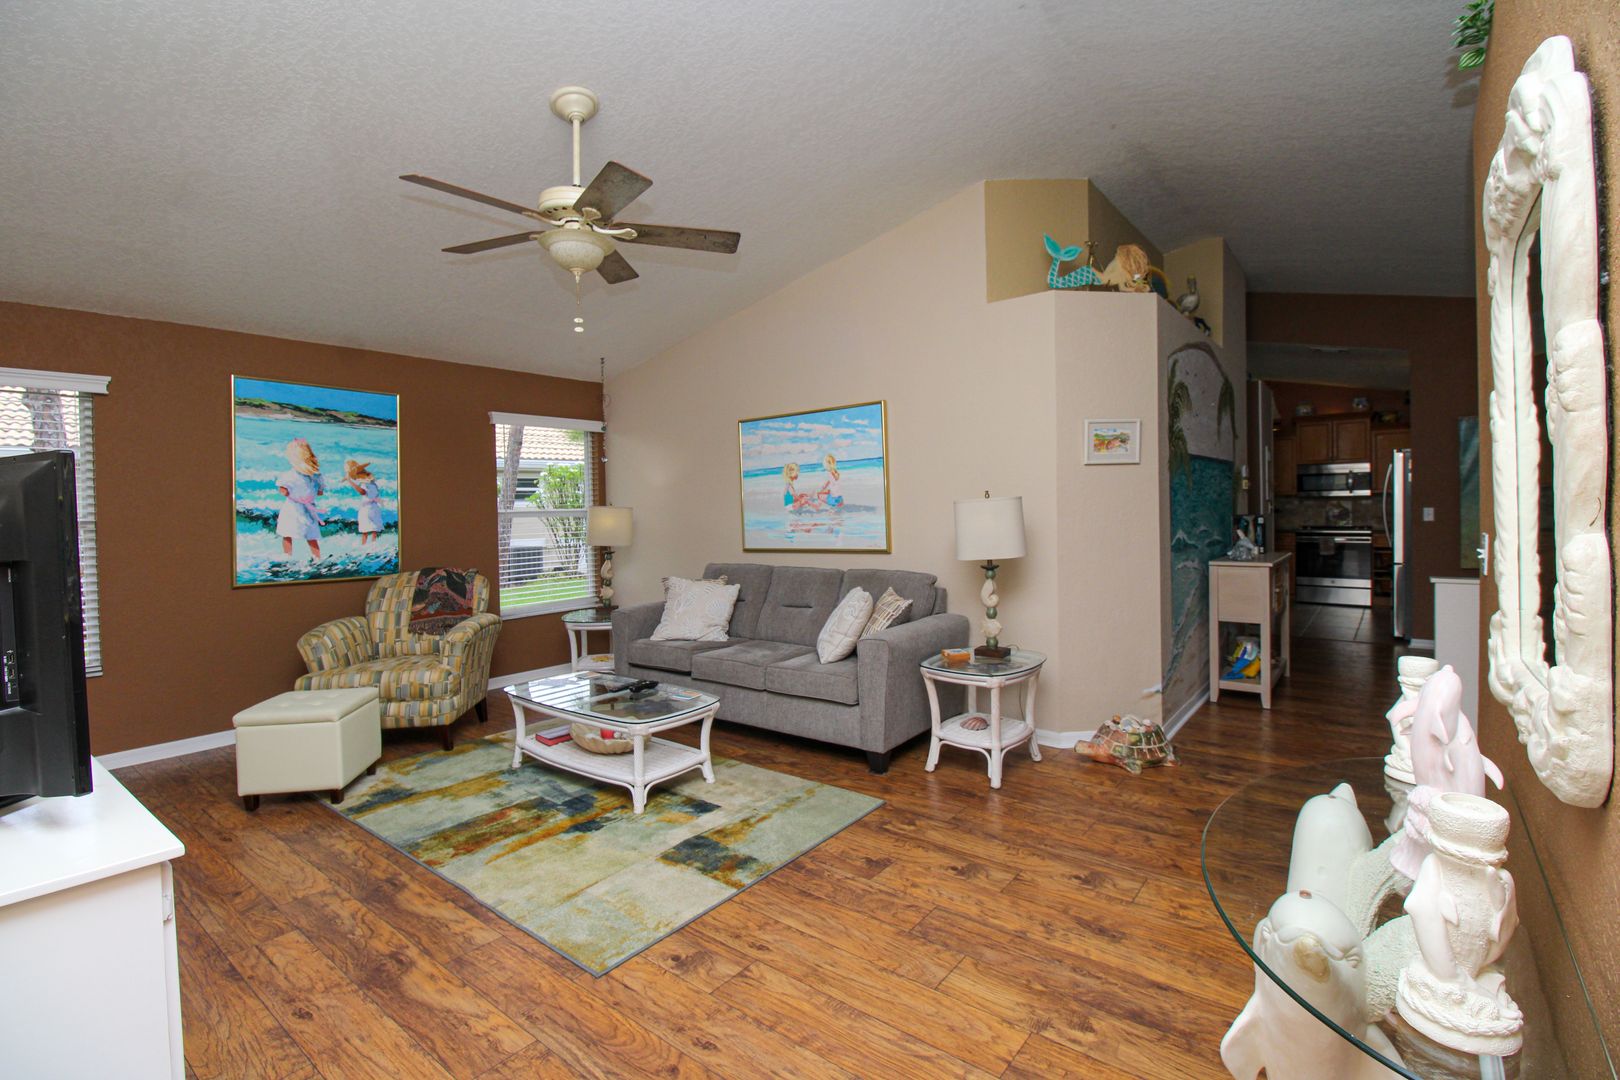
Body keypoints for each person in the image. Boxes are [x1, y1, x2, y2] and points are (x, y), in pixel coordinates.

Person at [275, 437, 325, 559]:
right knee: (311, 536)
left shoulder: (289, 475)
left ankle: (287, 556)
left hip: (292, 508)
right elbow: (320, 492)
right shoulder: (316, 475)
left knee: (287, 534)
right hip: (309, 508)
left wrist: (290, 493)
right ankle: (317, 558)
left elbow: (283, 491)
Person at [346, 459, 383, 546]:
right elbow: (374, 494)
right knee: (374, 529)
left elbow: (362, 492)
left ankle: (364, 547)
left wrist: (350, 482)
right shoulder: (373, 484)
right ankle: (373, 546)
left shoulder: (364, 484)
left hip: (366, 508)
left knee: (364, 531)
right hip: (375, 507)